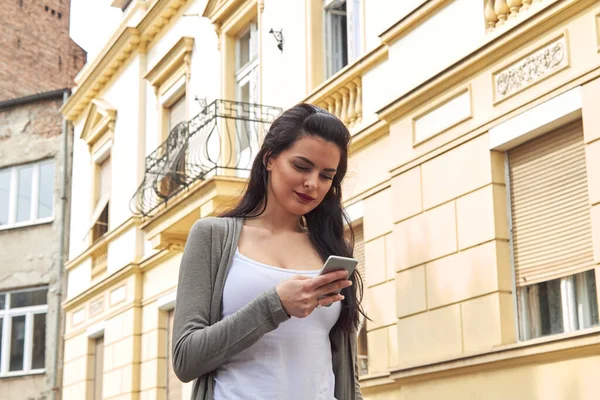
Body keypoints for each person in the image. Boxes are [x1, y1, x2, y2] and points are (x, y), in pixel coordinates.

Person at [172, 103, 365, 400]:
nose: (312, 183)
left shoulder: (331, 248)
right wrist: (275, 305)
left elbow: (345, 370)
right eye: (301, 166)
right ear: (270, 158)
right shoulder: (213, 237)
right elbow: (186, 359)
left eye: (326, 176)